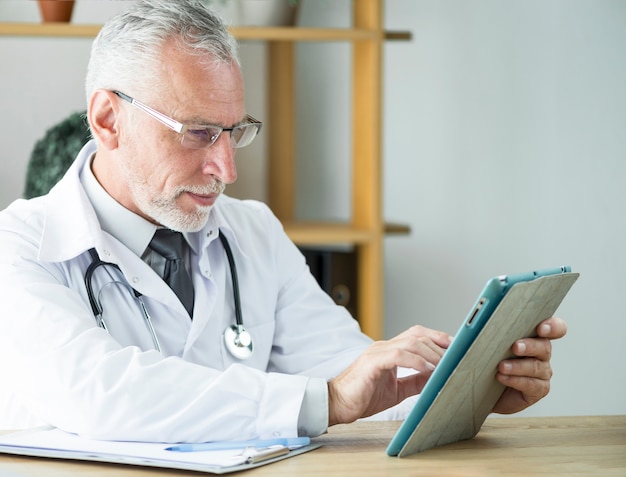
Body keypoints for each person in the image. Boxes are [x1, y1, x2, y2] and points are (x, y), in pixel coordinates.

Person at [0, 0, 566, 443]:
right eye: (198, 133)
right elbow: (101, 393)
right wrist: (326, 400)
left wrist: (467, 391)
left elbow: (352, 374)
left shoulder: (252, 232)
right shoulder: (20, 248)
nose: (227, 168)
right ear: (108, 119)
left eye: (235, 132)